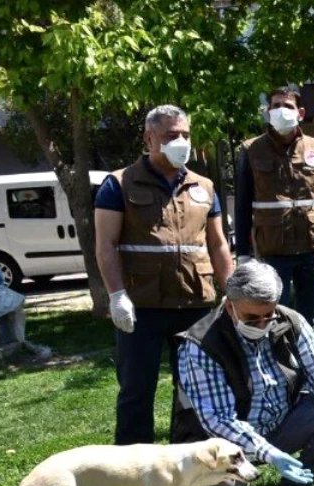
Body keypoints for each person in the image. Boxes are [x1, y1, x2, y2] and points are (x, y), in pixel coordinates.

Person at [173, 260, 314, 486]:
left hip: (280, 424)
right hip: (226, 442)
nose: (262, 324)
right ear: (229, 307)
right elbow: (219, 420)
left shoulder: (291, 321)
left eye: (269, 315)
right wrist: (270, 454)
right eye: (251, 318)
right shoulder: (201, 345)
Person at [94, 104, 234, 446]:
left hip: (195, 304)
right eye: (172, 135)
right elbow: (106, 245)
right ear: (149, 138)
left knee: (195, 389)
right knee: (136, 390)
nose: (181, 142)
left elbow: (217, 246)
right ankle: (130, 471)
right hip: (141, 306)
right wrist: (116, 296)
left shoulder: (205, 187)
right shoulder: (118, 184)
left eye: (185, 135)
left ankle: (192, 463)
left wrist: (232, 292)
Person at [235, 84, 314, 326]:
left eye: (288, 106)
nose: (281, 110)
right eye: (276, 106)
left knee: (308, 319)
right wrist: (242, 253)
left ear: (300, 113)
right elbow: (242, 205)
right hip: (273, 249)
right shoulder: (251, 149)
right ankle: (278, 361)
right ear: (267, 112)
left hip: (311, 246)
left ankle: (305, 362)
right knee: (273, 315)